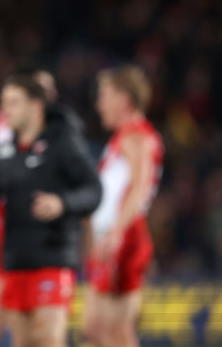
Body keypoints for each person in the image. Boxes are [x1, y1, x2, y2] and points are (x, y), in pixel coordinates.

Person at [0, 74, 101, 347]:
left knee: (47, 339)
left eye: (12, 103)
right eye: (3, 103)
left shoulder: (63, 144)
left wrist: (62, 203)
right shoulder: (5, 152)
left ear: (36, 106)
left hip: (53, 261)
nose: (4, 110)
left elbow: (94, 190)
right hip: (15, 265)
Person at [83, 65, 163, 347]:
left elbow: (139, 188)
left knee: (112, 332)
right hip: (113, 237)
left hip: (124, 238)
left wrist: (116, 232)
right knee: (96, 329)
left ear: (124, 99)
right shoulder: (124, 137)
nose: (99, 104)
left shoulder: (136, 136)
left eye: (104, 95)